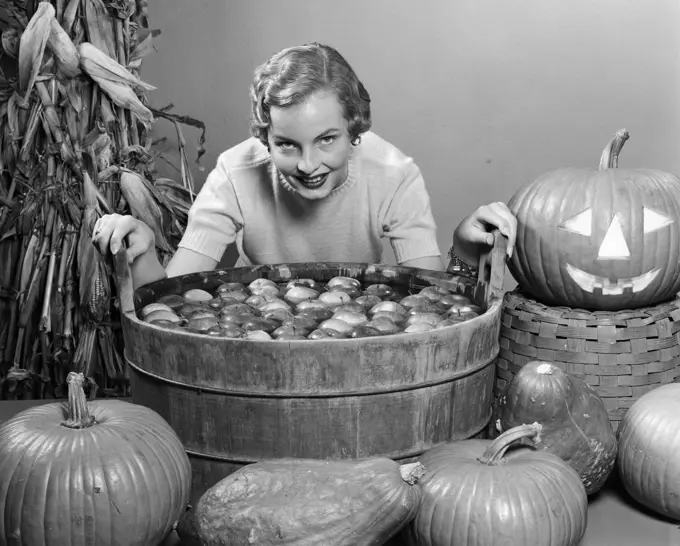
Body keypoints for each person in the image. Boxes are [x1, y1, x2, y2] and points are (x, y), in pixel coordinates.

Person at [93, 43, 517, 289]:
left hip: (356, 325)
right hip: (256, 322)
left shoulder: (393, 173)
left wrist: (462, 249)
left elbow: (432, 298)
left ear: (355, 129)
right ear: (265, 137)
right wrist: (142, 251)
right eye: (287, 145)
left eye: (327, 139)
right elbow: (172, 298)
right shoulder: (235, 172)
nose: (309, 164)